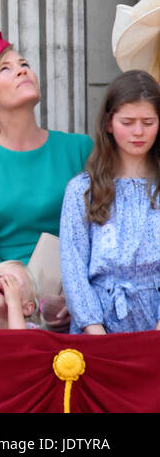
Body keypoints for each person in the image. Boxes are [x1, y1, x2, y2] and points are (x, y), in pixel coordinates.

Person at [0, 28, 91, 330]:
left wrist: (76, 295)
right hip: (8, 314)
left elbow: (104, 233)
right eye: (6, 68)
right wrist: (33, 301)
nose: (22, 70)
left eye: (24, 64)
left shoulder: (81, 149)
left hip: (83, 304)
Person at [59, 69, 160, 334]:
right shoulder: (82, 189)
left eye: (148, 122)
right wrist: (96, 332)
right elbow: (74, 268)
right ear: (108, 123)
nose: (138, 132)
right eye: (127, 122)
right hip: (98, 325)